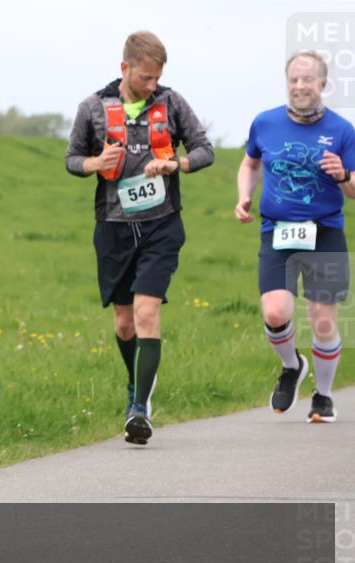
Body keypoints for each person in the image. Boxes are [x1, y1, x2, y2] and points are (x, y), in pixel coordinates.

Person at [65, 31, 214, 445]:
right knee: (125, 322)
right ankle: (136, 387)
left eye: (156, 79)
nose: (152, 86)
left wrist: (176, 164)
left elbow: (205, 149)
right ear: (124, 68)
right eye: (145, 78)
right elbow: (71, 159)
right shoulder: (93, 107)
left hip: (162, 224)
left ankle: (140, 409)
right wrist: (95, 162)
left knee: (148, 312)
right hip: (113, 228)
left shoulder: (171, 102)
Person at [235, 51, 354, 422]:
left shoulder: (342, 130)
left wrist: (342, 176)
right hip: (277, 231)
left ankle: (323, 396)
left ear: (323, 84)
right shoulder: (265, 123)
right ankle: (292, 366)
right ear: (287, 83)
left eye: (308, 80)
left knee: (322, 320)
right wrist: (244, 196)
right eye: (294, 80)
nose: (300, 86)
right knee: (275, 311)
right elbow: (250, 162)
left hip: (325, 232)